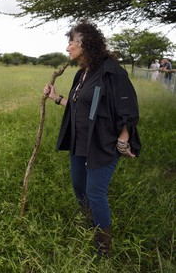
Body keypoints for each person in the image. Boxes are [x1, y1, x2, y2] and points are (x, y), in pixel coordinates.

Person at [43, 20, 141, 257]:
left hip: (103, 144)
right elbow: (80, 107)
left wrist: (123, 140)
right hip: (80, 142)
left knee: (95, 191)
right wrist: (57, 98)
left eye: (71, 42)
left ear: (84, 44)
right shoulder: (82, 74)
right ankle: (91, 225)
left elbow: (128, 111)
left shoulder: (112, 72)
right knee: (79, 187)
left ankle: (102, 247)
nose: (67, 48)